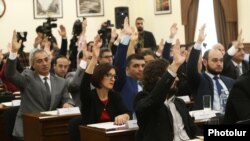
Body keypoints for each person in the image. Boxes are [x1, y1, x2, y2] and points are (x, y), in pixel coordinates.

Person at [5, 30, 74, 140]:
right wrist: (13, 52)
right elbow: (10, 75)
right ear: (33, 64)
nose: (44, 63)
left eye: (46, 60)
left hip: (50, 128)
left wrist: (68, 104)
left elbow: (67, 99)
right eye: (40, 61)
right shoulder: (28, 77)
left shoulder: (61, 81)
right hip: (27, 130)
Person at [134, 39, 200, 141]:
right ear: (158, 79)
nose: (177, 79)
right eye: (173, 76)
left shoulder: (179, 103)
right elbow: (155, 99)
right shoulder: (142, 98)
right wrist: (174, 65)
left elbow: (194, 130)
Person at [75, 36, 129, 141]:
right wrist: (94, 58)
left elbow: (127, 112)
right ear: (99, 77)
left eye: (114, 76)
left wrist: (124, 116)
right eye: (109, 75)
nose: (112, 79)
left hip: (112, 137)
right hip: (93, 137)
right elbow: (85, 83)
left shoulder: (115, 96)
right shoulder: (90, 97)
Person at [187, 24, 234, 110]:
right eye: (215, 60)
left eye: (221, 60)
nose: (219, 63)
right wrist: (198, 42)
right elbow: (191, 68)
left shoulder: (230, 81)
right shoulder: (199, 80)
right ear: (205, 62)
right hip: (209, 120)